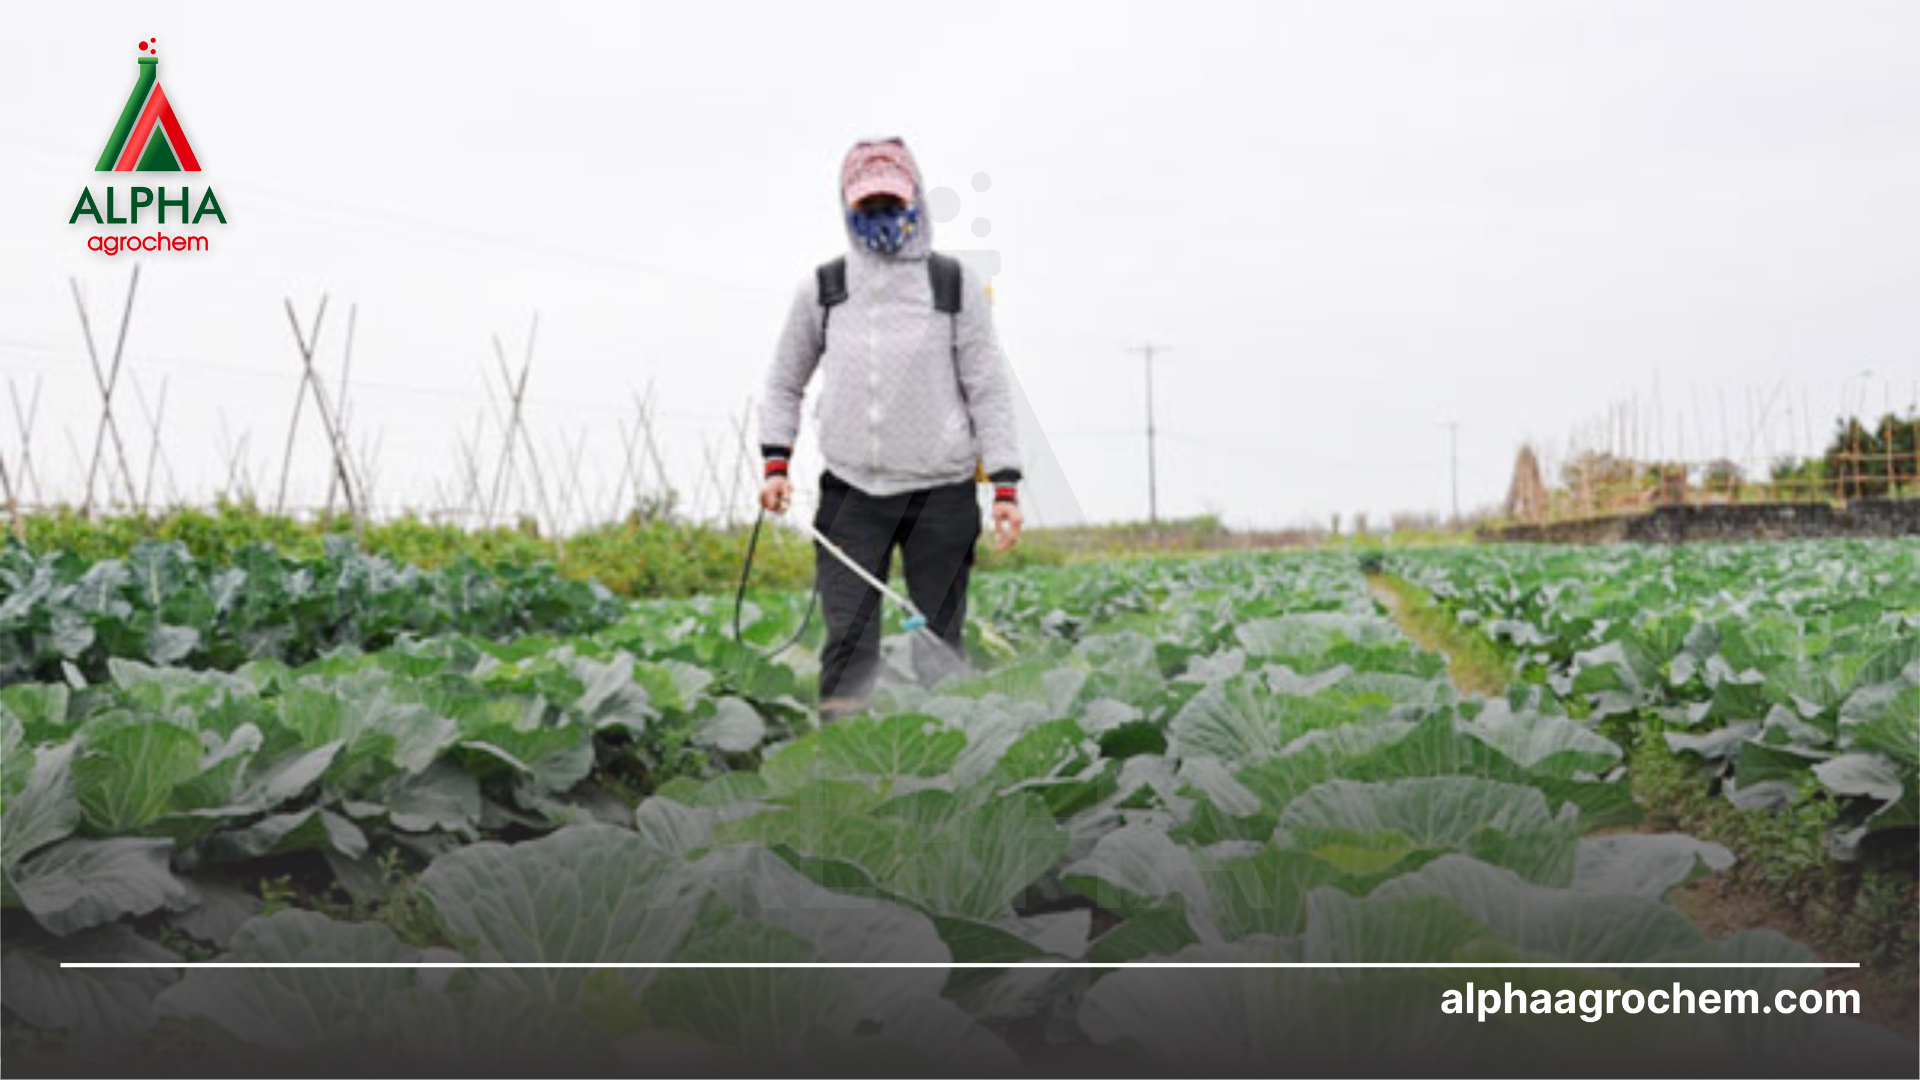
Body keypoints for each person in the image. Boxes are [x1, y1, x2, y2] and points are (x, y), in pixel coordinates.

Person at [758, 136, 1023, 721]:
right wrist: (776, 462)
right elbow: (783, 382)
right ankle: (843, 757)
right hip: (852, 493)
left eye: (892, 204)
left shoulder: (953, 286)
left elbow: (987, 387)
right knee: (848, 640)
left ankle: (943, 750)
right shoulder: (824, 289)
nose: (881, 216)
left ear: (916, 202)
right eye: (867, 206)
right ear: (847, 207)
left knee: (937, 639)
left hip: (941, 495)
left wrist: (1005, 486)